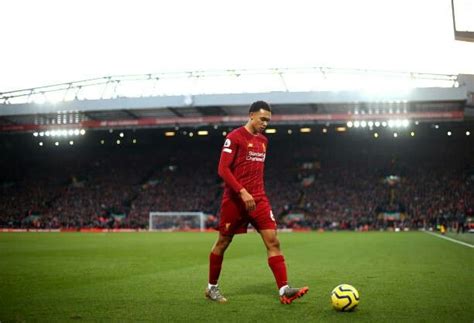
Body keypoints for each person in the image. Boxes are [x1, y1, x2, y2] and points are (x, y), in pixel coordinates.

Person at [205, 100, 309, 304]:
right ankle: (211, 288)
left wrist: (252, 193)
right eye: (262, 119)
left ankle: (284, 290)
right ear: (251, 115)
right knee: (223, 242)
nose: (265, 123)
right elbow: (223, 170)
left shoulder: (263, 141)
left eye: (268, 120)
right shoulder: (234, 137)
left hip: (259, 198)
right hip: (235, 200)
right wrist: (242, 192)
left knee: (273, 241)